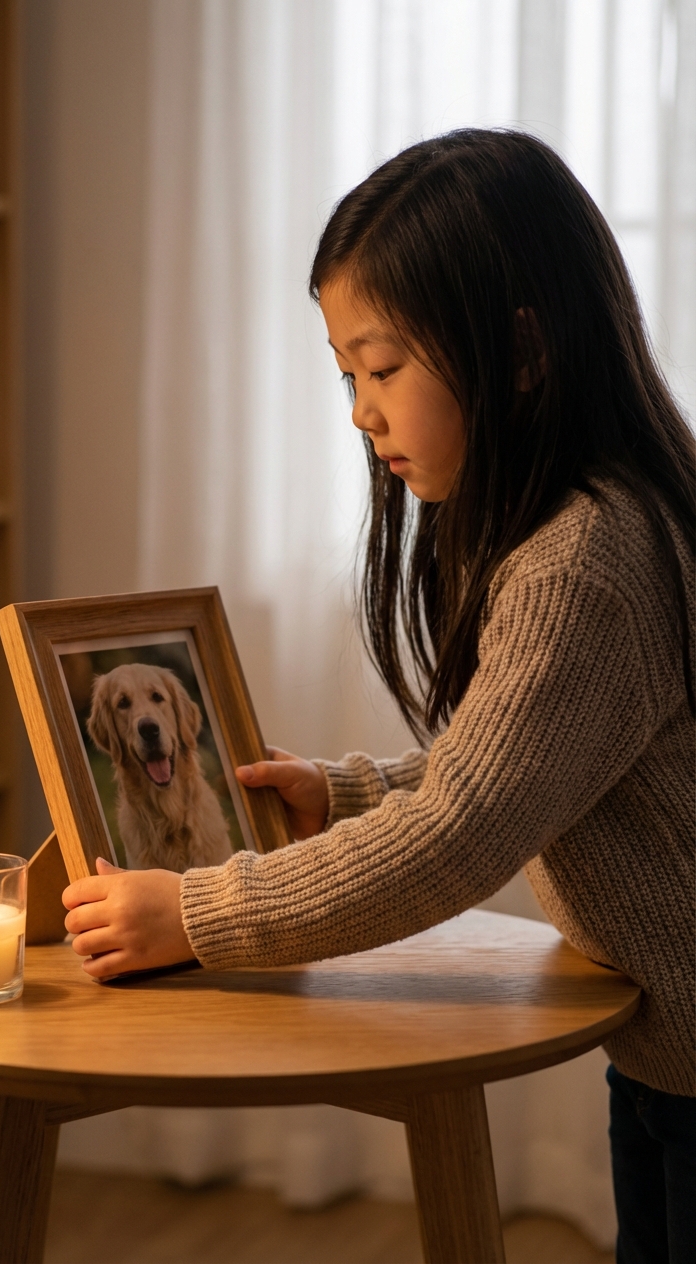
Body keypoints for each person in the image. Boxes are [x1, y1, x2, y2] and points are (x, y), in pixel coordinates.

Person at [62, 130, 695, 1262]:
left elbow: (459, 835)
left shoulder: (581, 562)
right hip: (666, 1058)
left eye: (383, 366)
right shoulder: (594, 519)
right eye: (343, 372)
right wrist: (345, 796)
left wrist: (197, 915)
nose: (359, 409)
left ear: (519, 351)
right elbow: (534, 760)